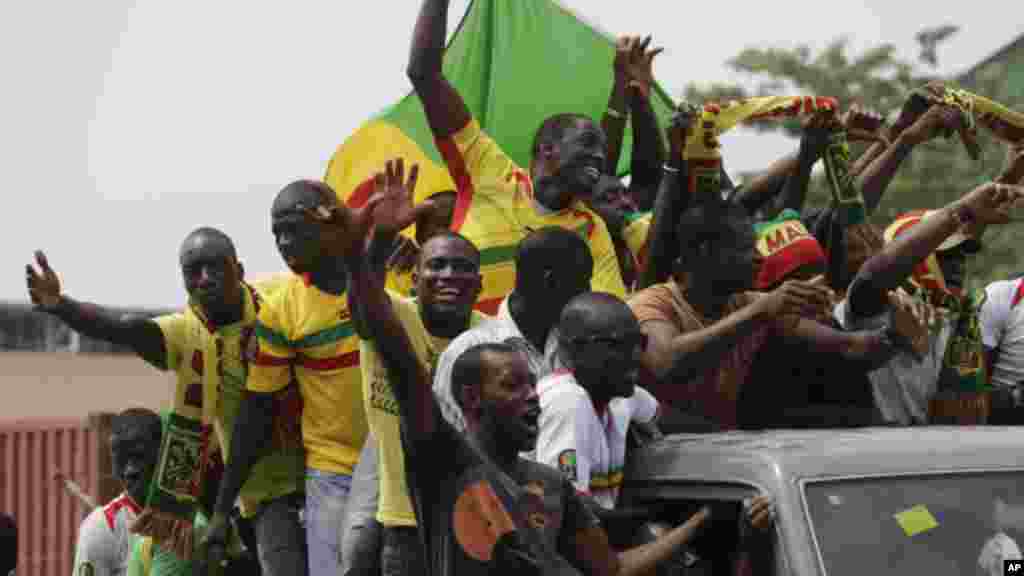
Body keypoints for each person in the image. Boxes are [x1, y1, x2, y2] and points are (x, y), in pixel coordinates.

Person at [340, 161, 712, 574]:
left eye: (533, 385)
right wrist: (368, 252)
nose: (536, 397)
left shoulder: (550, 488)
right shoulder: (452, 468)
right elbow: (399, 363)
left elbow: (609, 569)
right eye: (513, 386)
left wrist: (700, 523)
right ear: (470, 400)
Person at [24, 229, 306, 576]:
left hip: (324, 465)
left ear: (240, 269)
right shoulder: (187, 333)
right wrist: (60, 305)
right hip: (263, 493)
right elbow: (124, 328)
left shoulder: (281, 297)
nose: (205, 278)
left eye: (215, 267)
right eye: (193, 270)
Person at [407, 0, 627, 316]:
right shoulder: (489, 170)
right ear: (547, 149)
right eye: (588, 144)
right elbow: (424, 74)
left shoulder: (592, 230)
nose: (599, 157)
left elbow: (609, 313)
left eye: (602, 151)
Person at [210, 180, 369, 576]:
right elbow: (255, 411)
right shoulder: (281, 311)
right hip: (332, 473)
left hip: (396, 463)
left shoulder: (382, 276)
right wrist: (221, 508)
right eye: (276, 233)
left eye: (292, 229)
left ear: (328, 221)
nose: (283, 242)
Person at [629, 198, 897, 431]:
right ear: (706, 251)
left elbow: (850, 347)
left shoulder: (752, 304)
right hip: (655, 456)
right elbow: (666, 363)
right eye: (747, 248)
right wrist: (758, 313)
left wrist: (896, 335)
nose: (760, 258)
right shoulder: (651, 304)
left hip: (721, 449)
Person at [347, 182, 489, 576]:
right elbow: (363, 301)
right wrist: (382, 239)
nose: (448, 275)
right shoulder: (389, 316)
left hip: (474, 522)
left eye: (462, 267)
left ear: (480, 285)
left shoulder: (495, 341)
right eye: (436, 265)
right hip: (404, 521)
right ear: (413, 279)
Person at [838, 182, 1024, 425]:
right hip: (875, 443)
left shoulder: (953, 319)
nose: (958, 265)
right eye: (946, 256)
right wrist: (962, 209)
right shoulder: (877, 307)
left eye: (961, 255)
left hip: (931, 444)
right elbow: (873, 275)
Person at [433, 225, 593, 434]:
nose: (588, 292)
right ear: (551, 280)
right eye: (583, 281)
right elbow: (450, 442)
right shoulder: (466, 350)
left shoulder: (573, 342)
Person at [530, 292, 658, 511]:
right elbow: (570, 507)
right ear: (573, 350)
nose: (637, 354)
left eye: (640, 342)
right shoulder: (566, 400)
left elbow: (664, 417)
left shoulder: (618, 394)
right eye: (619, 345)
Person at [72, 410, 156, 576]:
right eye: (121, 458)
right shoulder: (102, 527)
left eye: (139, 456)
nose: (130, 470)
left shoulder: (188, 522)